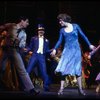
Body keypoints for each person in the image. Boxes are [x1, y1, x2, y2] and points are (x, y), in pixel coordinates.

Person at [50, 13, 95, 96]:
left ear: (64, 19)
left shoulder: (75, 26)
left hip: (76, 51)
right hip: (67, 51)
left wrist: (89, 44)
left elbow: (83, 36)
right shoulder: (62, 30)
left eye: (60, 21)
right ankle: (61, 89)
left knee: (78, 70)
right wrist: (55, 49)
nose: (59, 22)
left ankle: (80, 90)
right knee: (63, 69)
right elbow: (59, 41)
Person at [0, 23, 40, 95]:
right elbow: (2, 27)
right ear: (22, 21)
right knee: (1, 68)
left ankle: (31, 89)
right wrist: (4, 34)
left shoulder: (23, 33)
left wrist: (23, 47)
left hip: (14, 50)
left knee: (22, 69)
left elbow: (22, 45)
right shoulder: (12, 25)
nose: (27, 24)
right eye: (27, 22)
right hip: (5, 49)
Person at [26, 24, 51, 91]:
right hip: (34, 55)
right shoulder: (34, 38)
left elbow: (47, 50)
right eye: (39, 30)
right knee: (28, 70)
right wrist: (27, 50)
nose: (41, 31)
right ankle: (25, 85)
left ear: (44, 31)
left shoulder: (47, 41)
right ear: (37, 31)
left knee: (44, 72)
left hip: (42, 56)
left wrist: (52, 50)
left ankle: (46, 86)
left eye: (42, 30)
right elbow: (30, 47)